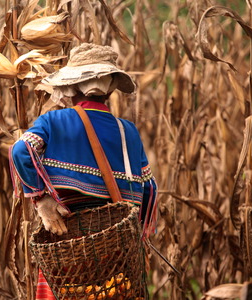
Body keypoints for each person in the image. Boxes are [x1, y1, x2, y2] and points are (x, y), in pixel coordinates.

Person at [9, 43, 157, 300]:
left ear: (71, 86)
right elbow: (150, 187)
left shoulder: (53, 121)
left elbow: (21, 150)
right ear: (110, 89)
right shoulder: (128, 131)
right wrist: (136, 231)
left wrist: (41, 199)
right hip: (117, 253)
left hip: (68, 246)